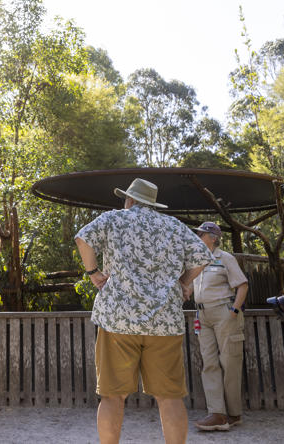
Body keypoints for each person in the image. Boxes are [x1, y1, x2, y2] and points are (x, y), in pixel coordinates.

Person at [74, 178, 213, 444]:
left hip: (118, 321)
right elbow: (203, 256)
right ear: (152, 203)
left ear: (129, 200)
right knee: (170, 397)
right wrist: (184, 283)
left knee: (112, 396)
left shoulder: (114, 218)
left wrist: (93, 273)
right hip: (164, 322)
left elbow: (82, 239)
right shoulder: (174, 225)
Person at [187, 221, 248, 431]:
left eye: (201, 234)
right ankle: (217, 414)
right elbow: (189, 286)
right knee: (209, 363)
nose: (197, 237)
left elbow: (242, 285)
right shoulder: (196, 259)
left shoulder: (226, 258)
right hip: (202, 315)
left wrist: (234, 312)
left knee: (230, 362)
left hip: (224, 312)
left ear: (213, 238)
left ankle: (233, 413)